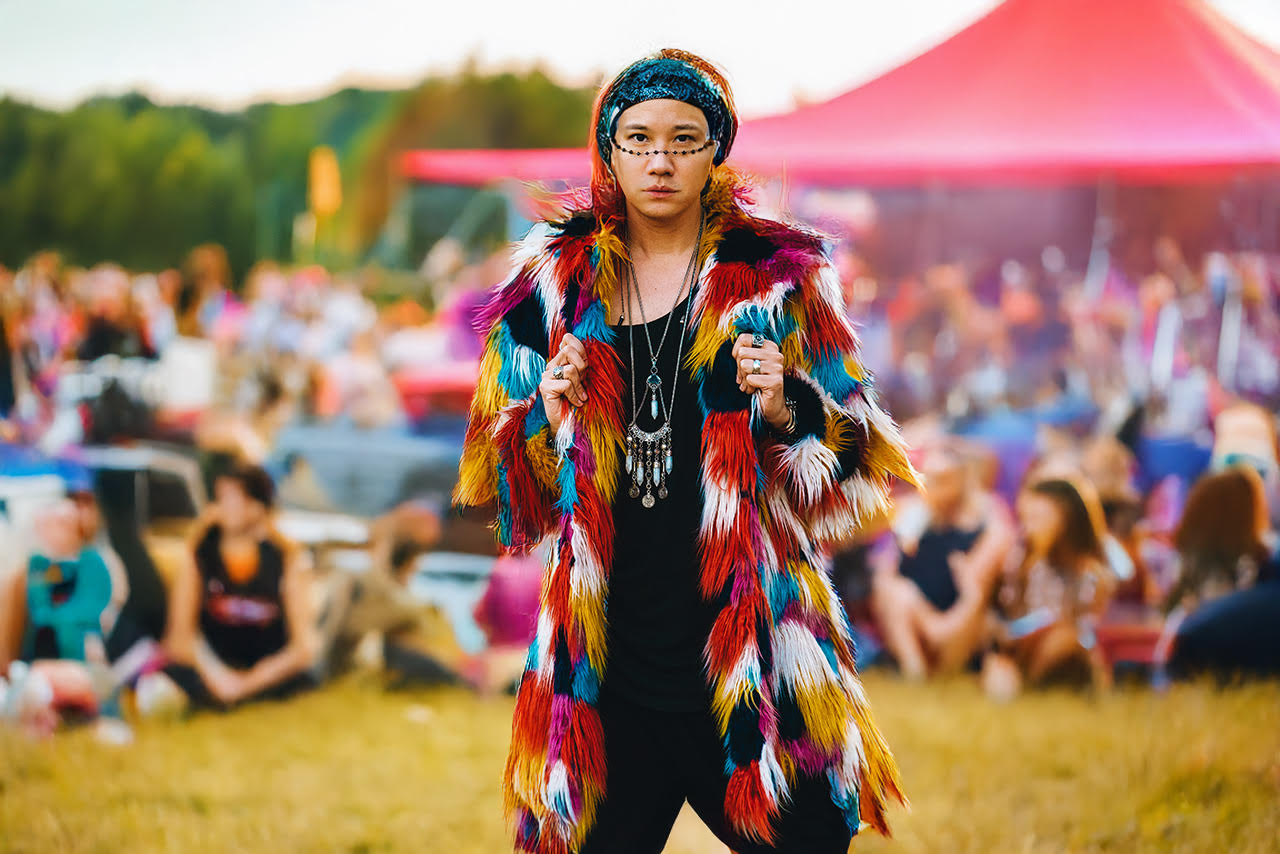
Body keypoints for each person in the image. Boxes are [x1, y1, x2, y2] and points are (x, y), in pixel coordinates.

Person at [454, 49, 919, 854]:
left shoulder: (780, 277)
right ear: (608, 150)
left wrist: (787, 404)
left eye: (683, 138)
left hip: (747, 650)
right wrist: (547, 414)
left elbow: (860, 465)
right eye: (637, 139)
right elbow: (506, 496)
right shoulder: (553, 284)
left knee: (810, 842)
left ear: (716, 151)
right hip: (604, 658)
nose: (660, 160)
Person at [153, 464, 318, 709]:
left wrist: (247, 684)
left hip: (266, 669)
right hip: (213, 665)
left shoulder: (287, 556)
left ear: (257, 506)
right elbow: (179, 638)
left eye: (231, 498)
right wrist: (218, 678)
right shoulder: (201, 552)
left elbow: (302, 649)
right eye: (219, 498)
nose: (220, 507)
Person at [871, 443, 1013, 678]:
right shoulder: (915, 513)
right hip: (918, 618)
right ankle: (914, 671)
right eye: (930, 479)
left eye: (943, 479)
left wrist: (940, 627)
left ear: (962, 479)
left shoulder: (988, 515)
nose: (934, 487)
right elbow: (885, 573)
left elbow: (976, 590)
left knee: (977, 602)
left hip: (966, 620)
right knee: (894, 590)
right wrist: (910, 527)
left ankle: (945, 668)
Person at [985, 478, 1114, 698]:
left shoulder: (1091, 571)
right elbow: (1008, 612)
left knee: (1063, 639)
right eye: (1026, 518)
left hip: (1072, 650)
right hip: (1024, 647)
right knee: (1000, 673)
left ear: (1067, 521)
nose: (1029, 528)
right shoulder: (1022, 561)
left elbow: (1090, 626)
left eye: (1038, 518)